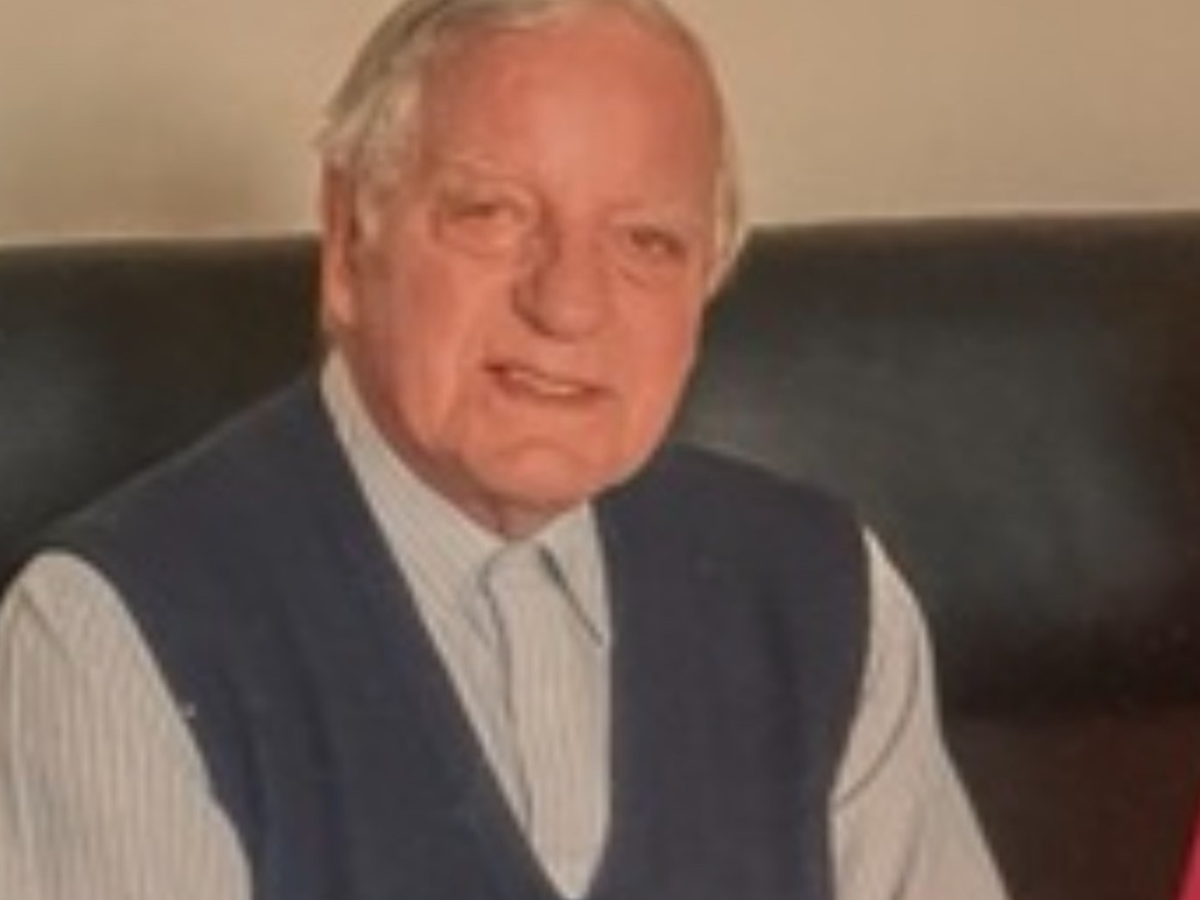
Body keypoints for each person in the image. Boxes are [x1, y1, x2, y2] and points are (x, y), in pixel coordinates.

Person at [0, 0, 1008, 898]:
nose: (567, 304)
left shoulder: (829, 596)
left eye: (647, 243)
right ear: (350, 240)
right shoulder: (110, 632)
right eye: (492, 215)